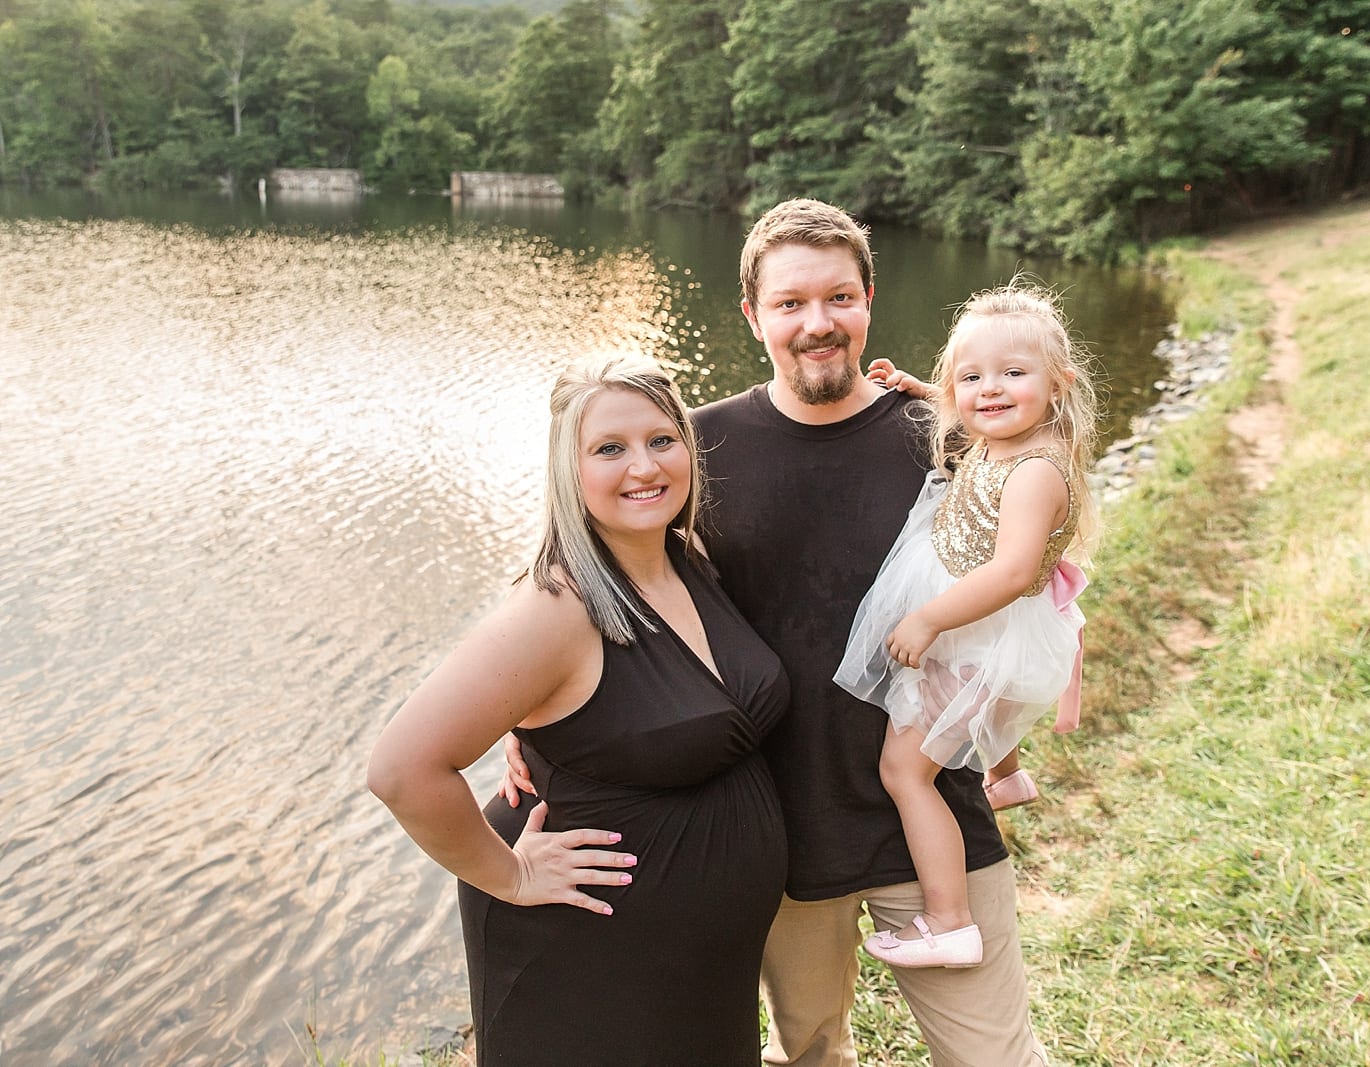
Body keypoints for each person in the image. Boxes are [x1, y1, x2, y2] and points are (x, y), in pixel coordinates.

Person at [505, 199, 1051, 1065]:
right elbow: (597, 567)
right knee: (809, 1054)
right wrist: (523, 713)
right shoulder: (697, 448)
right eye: (791, 303)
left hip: (933, 809)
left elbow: (1046, 514)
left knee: (995, 1055)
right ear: (753, 315)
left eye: (840, 297)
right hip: (778, 834)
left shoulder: (949, 435)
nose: (818, 323)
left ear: (870, 298)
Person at [369, 355, 789, 1066]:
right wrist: (510, 874)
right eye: (609, 448)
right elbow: (402, 768)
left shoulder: (686, 556)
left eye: (662, 439)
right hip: (592, 955)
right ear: (570, 469)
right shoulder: (558, 606)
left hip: (693, 967)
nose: (643, 466)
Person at [833, 283, 1097, 969]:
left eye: (1013, 374)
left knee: (904, 771)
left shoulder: (1037, 469)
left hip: (982, 632)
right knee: (941, 737)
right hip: (980, 625)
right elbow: (972, 408)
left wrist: (926, 617)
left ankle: (949, 921)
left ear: (1058, 383)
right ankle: (1005, 775)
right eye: (971, 377)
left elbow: (1011, 572)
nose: (989, 390)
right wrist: (922, 389)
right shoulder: (1007, 433)